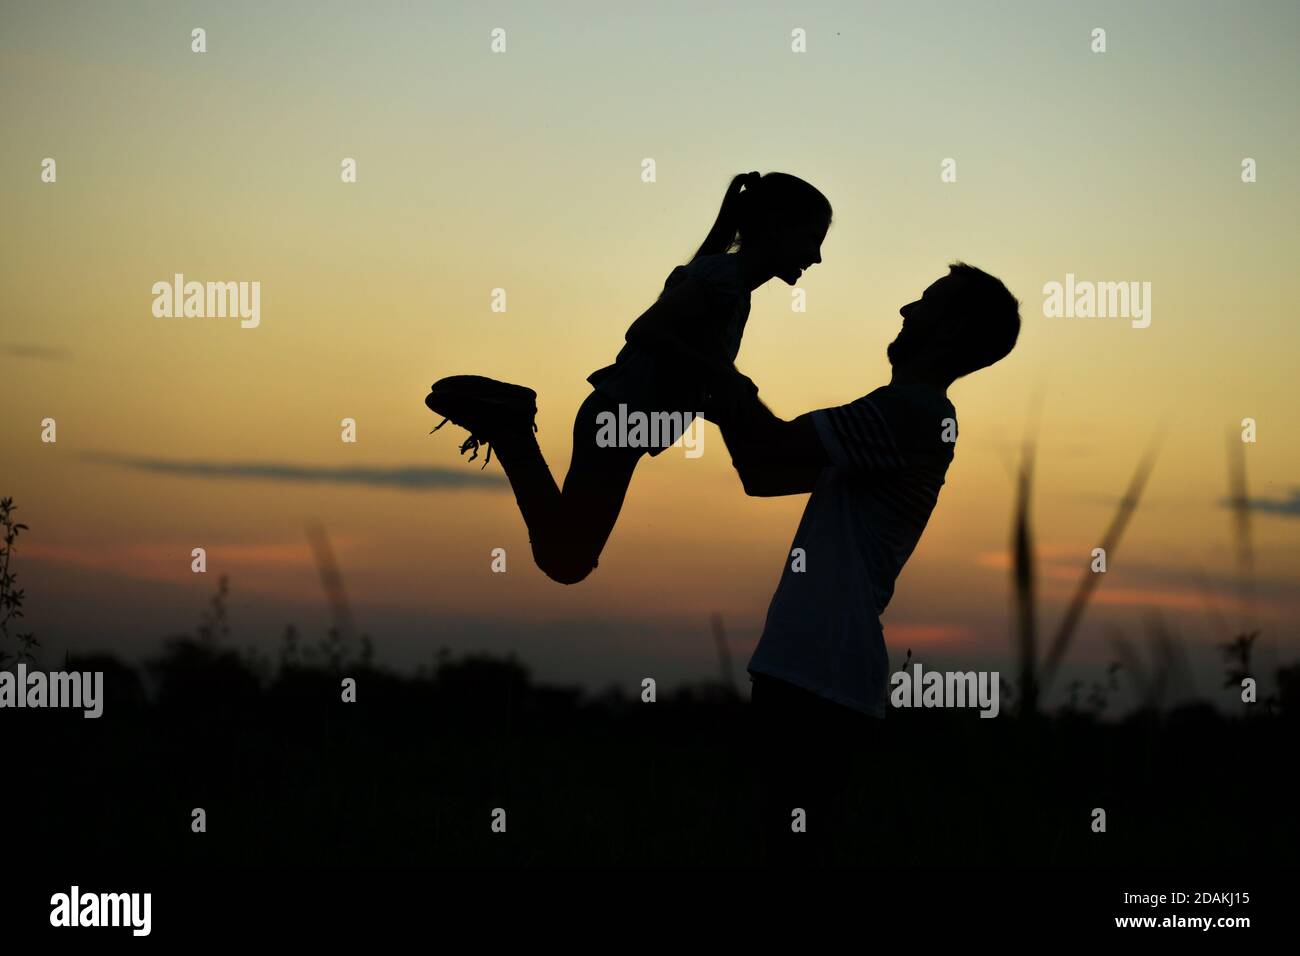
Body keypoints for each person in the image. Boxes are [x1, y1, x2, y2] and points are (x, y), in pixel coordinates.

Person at [709, 262, 1022, 864]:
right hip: (809, 666)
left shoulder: (913, 412)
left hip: (817, 671)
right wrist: (716, 380)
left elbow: (768, 449)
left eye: (924, 302)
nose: (906, 310)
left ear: (951, 329)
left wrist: (714, 368)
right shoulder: (906, 417)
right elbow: (762, 471)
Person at [423, 172, 832, 584]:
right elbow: (646, 331)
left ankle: (511, 429)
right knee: (567, 560)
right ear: (776, 228)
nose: (815, 257)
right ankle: (512, 430)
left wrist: (723, 397)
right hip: (618, 421)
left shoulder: (729, 282)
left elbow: (680, 365)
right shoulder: (722, 279)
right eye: (812, 239)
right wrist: (722, 378)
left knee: (567, 554)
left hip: (626, 426)